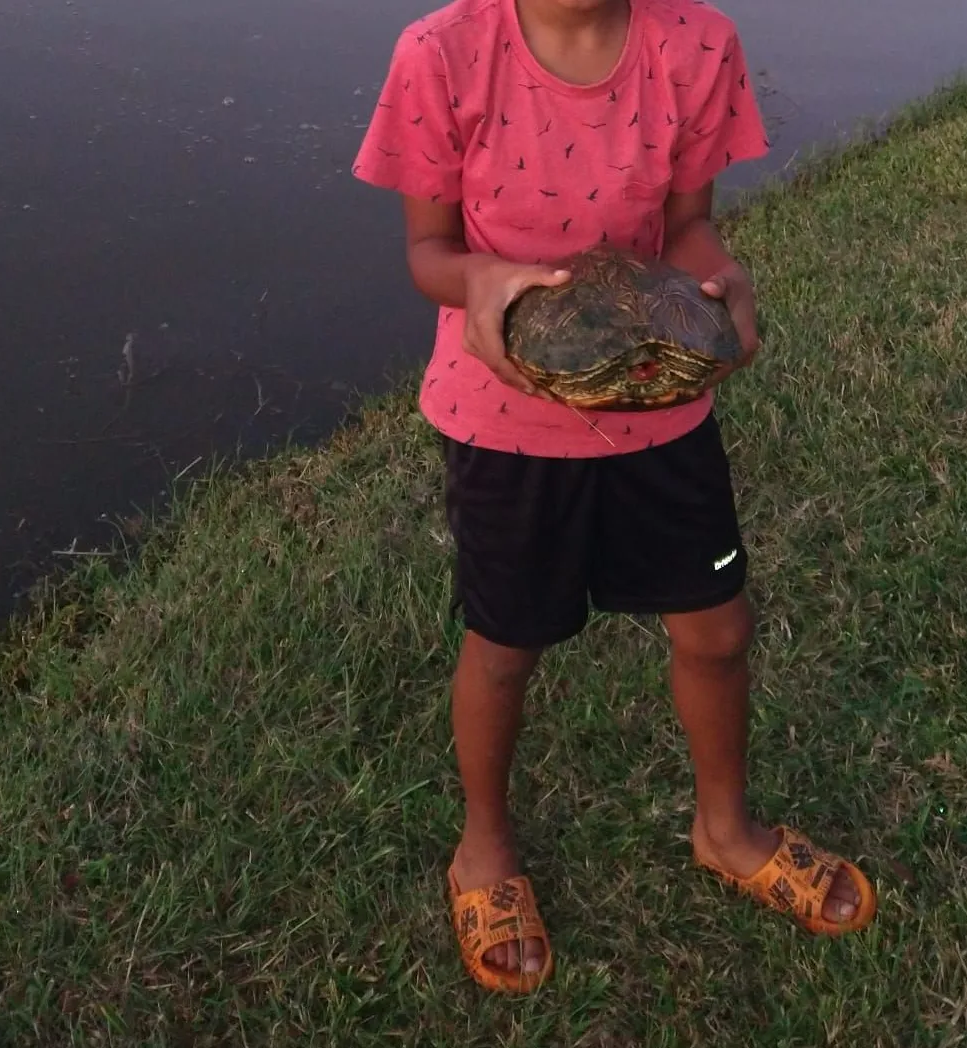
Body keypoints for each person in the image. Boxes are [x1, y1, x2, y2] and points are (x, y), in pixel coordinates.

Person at [352, 0, 877, 995]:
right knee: (505, 645)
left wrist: (728, 285)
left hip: (657, 397)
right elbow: (430, 254)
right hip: (505, 417)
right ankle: (483, 847)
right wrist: (489, 283)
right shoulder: (439, 53)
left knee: (719, 630)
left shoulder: (697, 42)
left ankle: (725, 829)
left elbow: (688, 231)